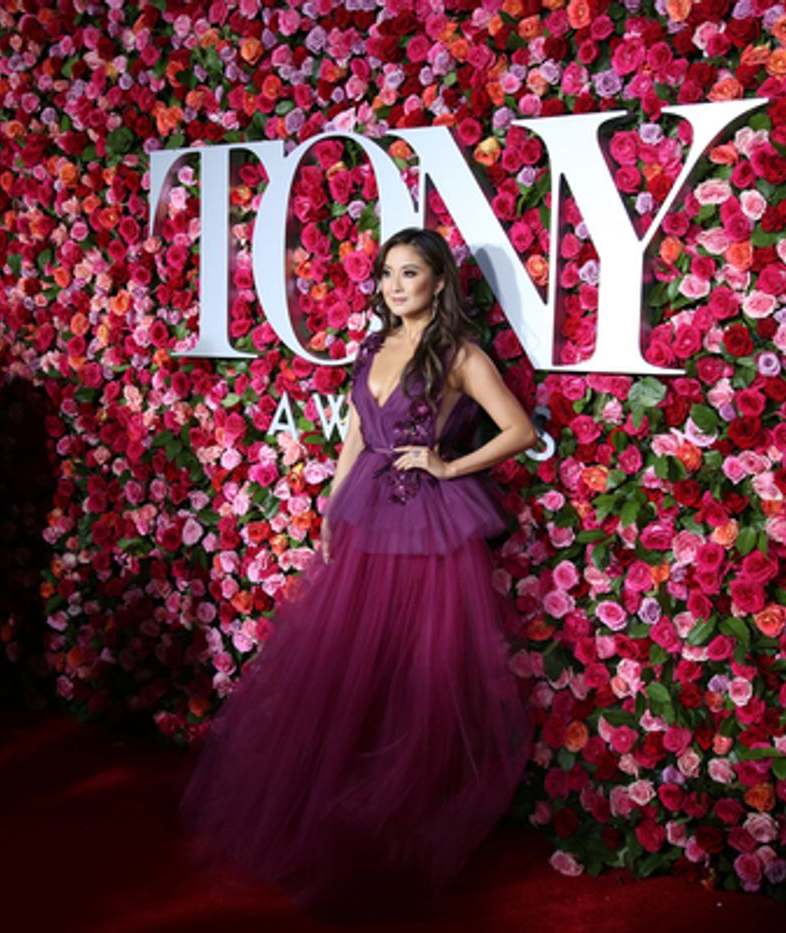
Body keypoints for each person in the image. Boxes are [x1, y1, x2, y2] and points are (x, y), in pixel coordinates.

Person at [180, 227, 539, 914]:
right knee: (354, 666)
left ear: (439, 282)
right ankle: (347, 803)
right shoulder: (375, 345)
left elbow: (517, 429)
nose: (393, 286)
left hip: (426, 521)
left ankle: (401, 819)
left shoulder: (460, 354)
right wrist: (331, 506)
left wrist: (447, 463)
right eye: (386, 274)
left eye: (409, 273)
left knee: (418, 672)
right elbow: (354, 431)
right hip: (367, 510)